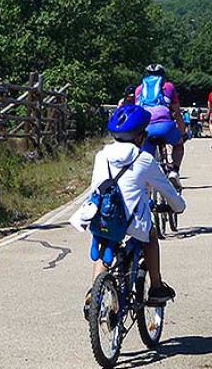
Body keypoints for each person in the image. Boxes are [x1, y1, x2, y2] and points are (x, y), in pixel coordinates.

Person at [76, 104, 185, 317]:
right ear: (140, 137)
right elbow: (167, 190)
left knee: (105, 245)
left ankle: (94, 295)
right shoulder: (144, 160)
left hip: (103, 217)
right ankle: (155, 287)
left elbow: (95, 187)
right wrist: (178, 206)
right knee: (151, 236)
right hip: (132, 222)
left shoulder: (102, 156)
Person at [133, 64, 187, 185]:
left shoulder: (139, 89)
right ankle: (174, 171)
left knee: (145, 157)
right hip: (165, 125)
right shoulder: (168, 87)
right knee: (178, 145)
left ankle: (147, 185)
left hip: (145, 128)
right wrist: (183, 133)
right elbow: (177, 113)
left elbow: (136, 113)